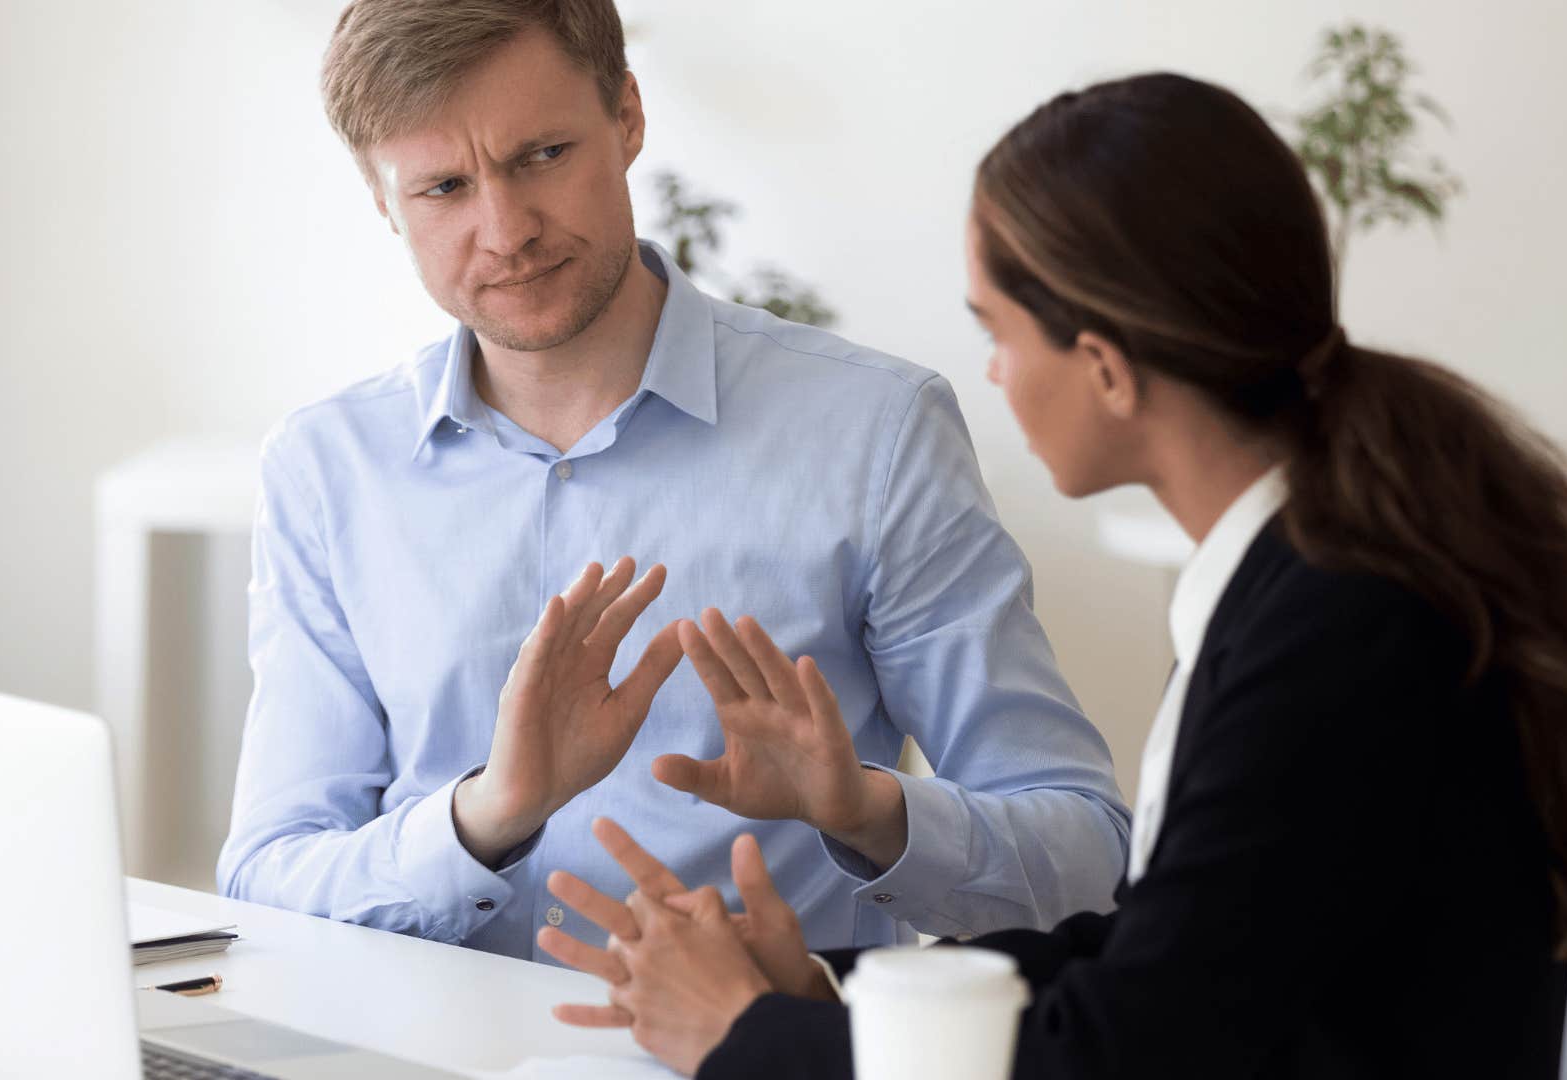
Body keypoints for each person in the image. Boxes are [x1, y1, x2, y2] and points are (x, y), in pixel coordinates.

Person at [540, 72, 1567, 1079]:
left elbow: (1130, 1053)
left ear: (1107, 369)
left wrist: (751, 1039)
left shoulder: (1339, 630)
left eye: (999, 330)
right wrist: (831, 990)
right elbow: (1158, 954)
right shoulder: (1312, 584)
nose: (990, 370)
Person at [215, 0, 1134, 966]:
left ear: (628, 118)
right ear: (381, 200)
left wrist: (863, 808)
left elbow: (1084, 858)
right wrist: (490, 812)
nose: (506, 230)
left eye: (542, 155)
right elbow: (268, 879)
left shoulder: (876, 431)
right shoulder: (325, 471)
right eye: (444, 187)